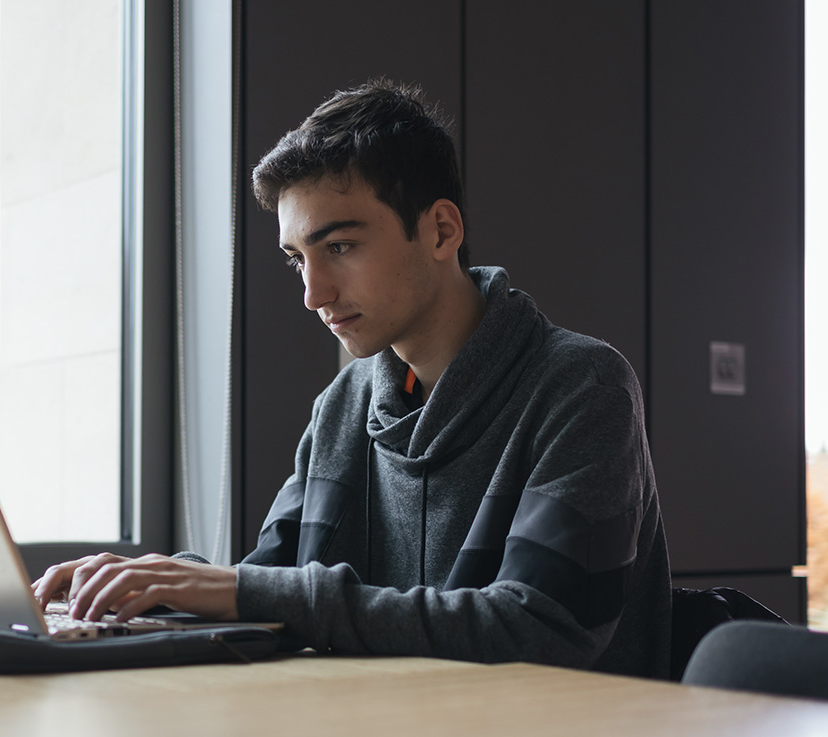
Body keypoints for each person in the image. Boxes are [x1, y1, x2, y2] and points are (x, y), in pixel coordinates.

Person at [33, 79, 672, 679]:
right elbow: (271, 585)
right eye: (297, 260)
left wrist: (236, 590)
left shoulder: (583, 387)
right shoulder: (345, 404)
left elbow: (541, 631)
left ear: (442, 230)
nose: (313, 294)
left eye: (339, 246)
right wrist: (155, 581)